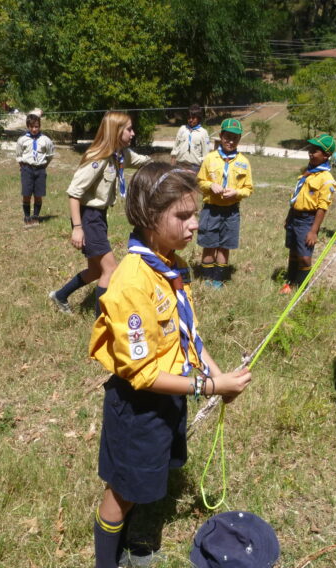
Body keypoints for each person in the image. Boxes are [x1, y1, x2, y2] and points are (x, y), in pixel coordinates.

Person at [89, 163, 252, 568]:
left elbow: (185, 332)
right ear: (147, 217)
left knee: (147, 481)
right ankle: (107, 561)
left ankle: (131, 545)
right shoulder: (131, 283)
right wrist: (212, 388)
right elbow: (143, 375)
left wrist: (215, 374)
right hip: (139, 407)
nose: (194, 225)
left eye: (193, 214)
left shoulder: (168, 264)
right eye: (182, 216)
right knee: (122, 492)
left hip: (170, 395)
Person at [49, 111, 151, 316]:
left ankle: (60, 296)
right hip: (88, 218)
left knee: (96, 271)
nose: (133, 133)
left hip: (99, 217)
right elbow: (74, 193)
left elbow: (144, 161)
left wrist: (171, 165)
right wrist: (78, 228)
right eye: (129, 129)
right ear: (116, 131)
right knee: (111, 270)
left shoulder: (121, 154)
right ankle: (101, 322)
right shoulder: (99, 158)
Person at [196, 118, 253, 288]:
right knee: (209, 244)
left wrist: (237, 192)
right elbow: (199, 181)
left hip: (231, 211)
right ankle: (206, 278)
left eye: (235, 138)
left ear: (239, 139)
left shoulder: (244, 161)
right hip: (211, 210)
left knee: (224, 246)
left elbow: (249, 188)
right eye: (227, 137)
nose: (231, 141)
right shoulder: (210, 159)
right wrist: (210, 185)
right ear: (221, 136)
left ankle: (218, 280)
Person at [279, 133, 336, 294]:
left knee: (304, 256)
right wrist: (289, 217)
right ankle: (290, 282)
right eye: (311, 149)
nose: (311, 153)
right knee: (293, 250)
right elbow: (296, 198)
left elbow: (322, 207)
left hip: (308, 220)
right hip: (295, 217)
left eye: (316, 150)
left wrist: (313, 231)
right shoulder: (307, 172)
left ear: (326, 155)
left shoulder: (326, 178)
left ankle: (301, 287)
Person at [15, 112, 55, 226]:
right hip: (27, 169)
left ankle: (36, 216)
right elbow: (18, 155)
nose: (34, 129)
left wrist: (43, 166)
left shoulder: (46, 140)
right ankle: (27, 217)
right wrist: (24, 167)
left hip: (40, 170)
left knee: (38, 195)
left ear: (39, 126)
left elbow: (50, 155)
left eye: (36, 126)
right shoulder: (22, 140)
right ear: (28, 126)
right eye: (32, 126)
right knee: (26, 194)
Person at [170, 104, 210, 171]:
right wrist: (172, 163)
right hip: (180, 165)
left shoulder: (203, 133)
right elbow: (175, 147)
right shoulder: (182, 129)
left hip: (195, 167)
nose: (190, 120)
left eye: (193, 118)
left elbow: (205, 153)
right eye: (189, 117)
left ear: (198, 118)